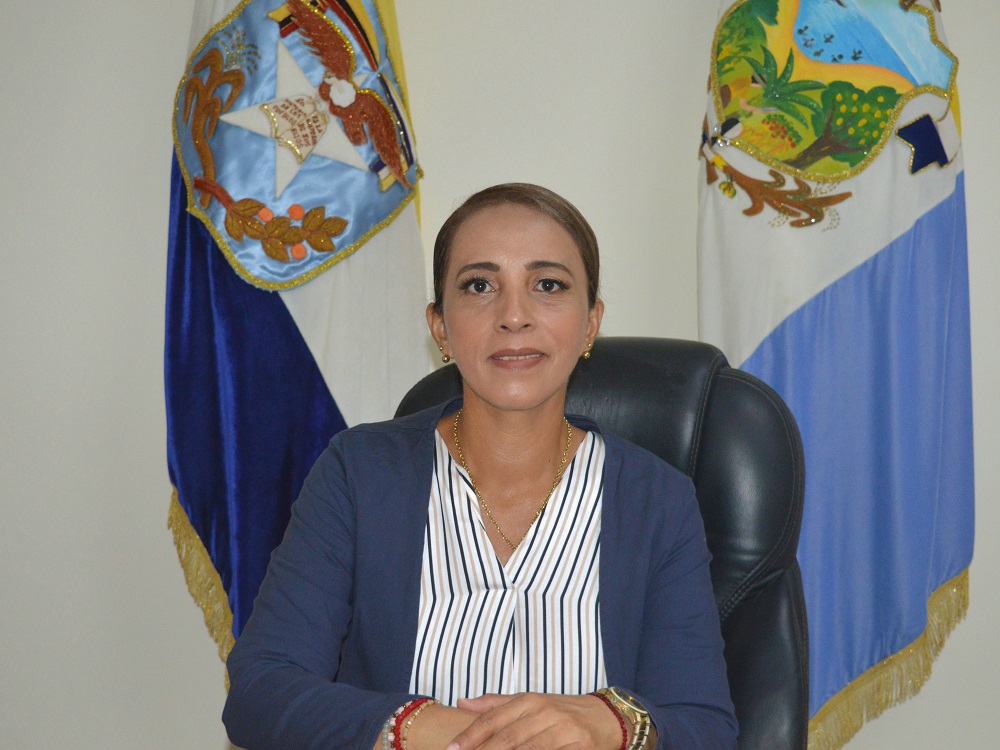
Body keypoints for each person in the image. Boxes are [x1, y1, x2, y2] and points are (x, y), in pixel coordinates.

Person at [223, 184, 738, 750]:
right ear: (440, 326)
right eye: (479, 286)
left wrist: (612, 723)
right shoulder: (358, 474)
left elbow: (706, 727)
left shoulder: (657, 498)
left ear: (591, 323)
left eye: (548, 285)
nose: (513, 316)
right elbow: (260, 692)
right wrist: (431, 729)